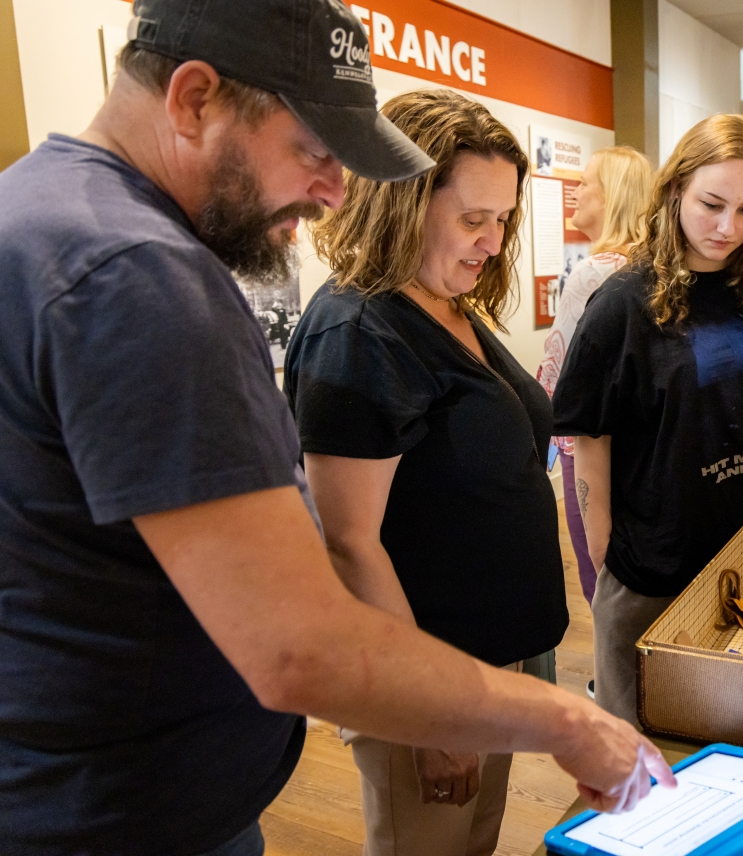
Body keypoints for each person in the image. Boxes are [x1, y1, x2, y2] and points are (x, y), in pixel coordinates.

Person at [0, 2, 671, 853]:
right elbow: (297, 642)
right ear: (194, 99)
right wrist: (569, 724)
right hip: (122, 812)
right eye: (314, 151)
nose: (332, 193)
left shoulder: (36, 209)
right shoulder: (135, 274)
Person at [284, 88, 566, 856]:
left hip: (489, 660)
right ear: (402, 205)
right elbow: (350, 543)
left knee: (472, 840)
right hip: (428, 671)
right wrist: (431, 711)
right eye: (473, 220)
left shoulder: (446, 303)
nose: (493, 241)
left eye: (504, 219)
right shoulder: (356, 333)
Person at [553, 114, 743, 726]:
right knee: (648, 756)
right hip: (658, 568)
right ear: (675, 188)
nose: (728, 228)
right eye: (712, 204)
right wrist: (601, 563)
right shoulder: (622, 304)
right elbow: (588, 440)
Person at [537, 146, 653, 605]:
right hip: (642, 448)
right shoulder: (654, 269)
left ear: (614, 197)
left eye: (586, 183)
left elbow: (558, 372)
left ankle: (608, 679)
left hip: (588, 448)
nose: (576, 192)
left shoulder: (592, 274)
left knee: (599, 578)